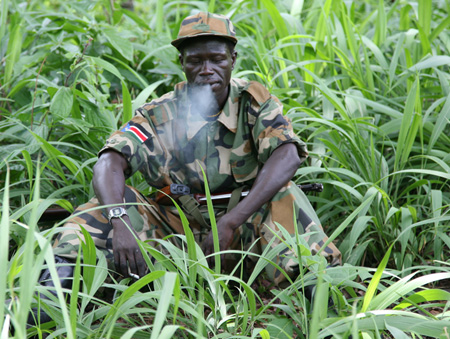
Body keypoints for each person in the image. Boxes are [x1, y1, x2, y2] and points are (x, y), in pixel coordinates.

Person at [30, 11, 341, 324]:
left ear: (232, 60)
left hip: (247, 231)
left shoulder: (253, 101)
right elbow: (109, 161)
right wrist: (119, 221)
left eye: (216, 59)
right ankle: (45, 309)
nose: (206, 70)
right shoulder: (159, 113)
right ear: (182, 63)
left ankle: (320, 311)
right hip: (178, 233)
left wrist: (232, 220)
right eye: (195, 61)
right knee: (96, 212)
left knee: (285, 197)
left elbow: (287, 155)